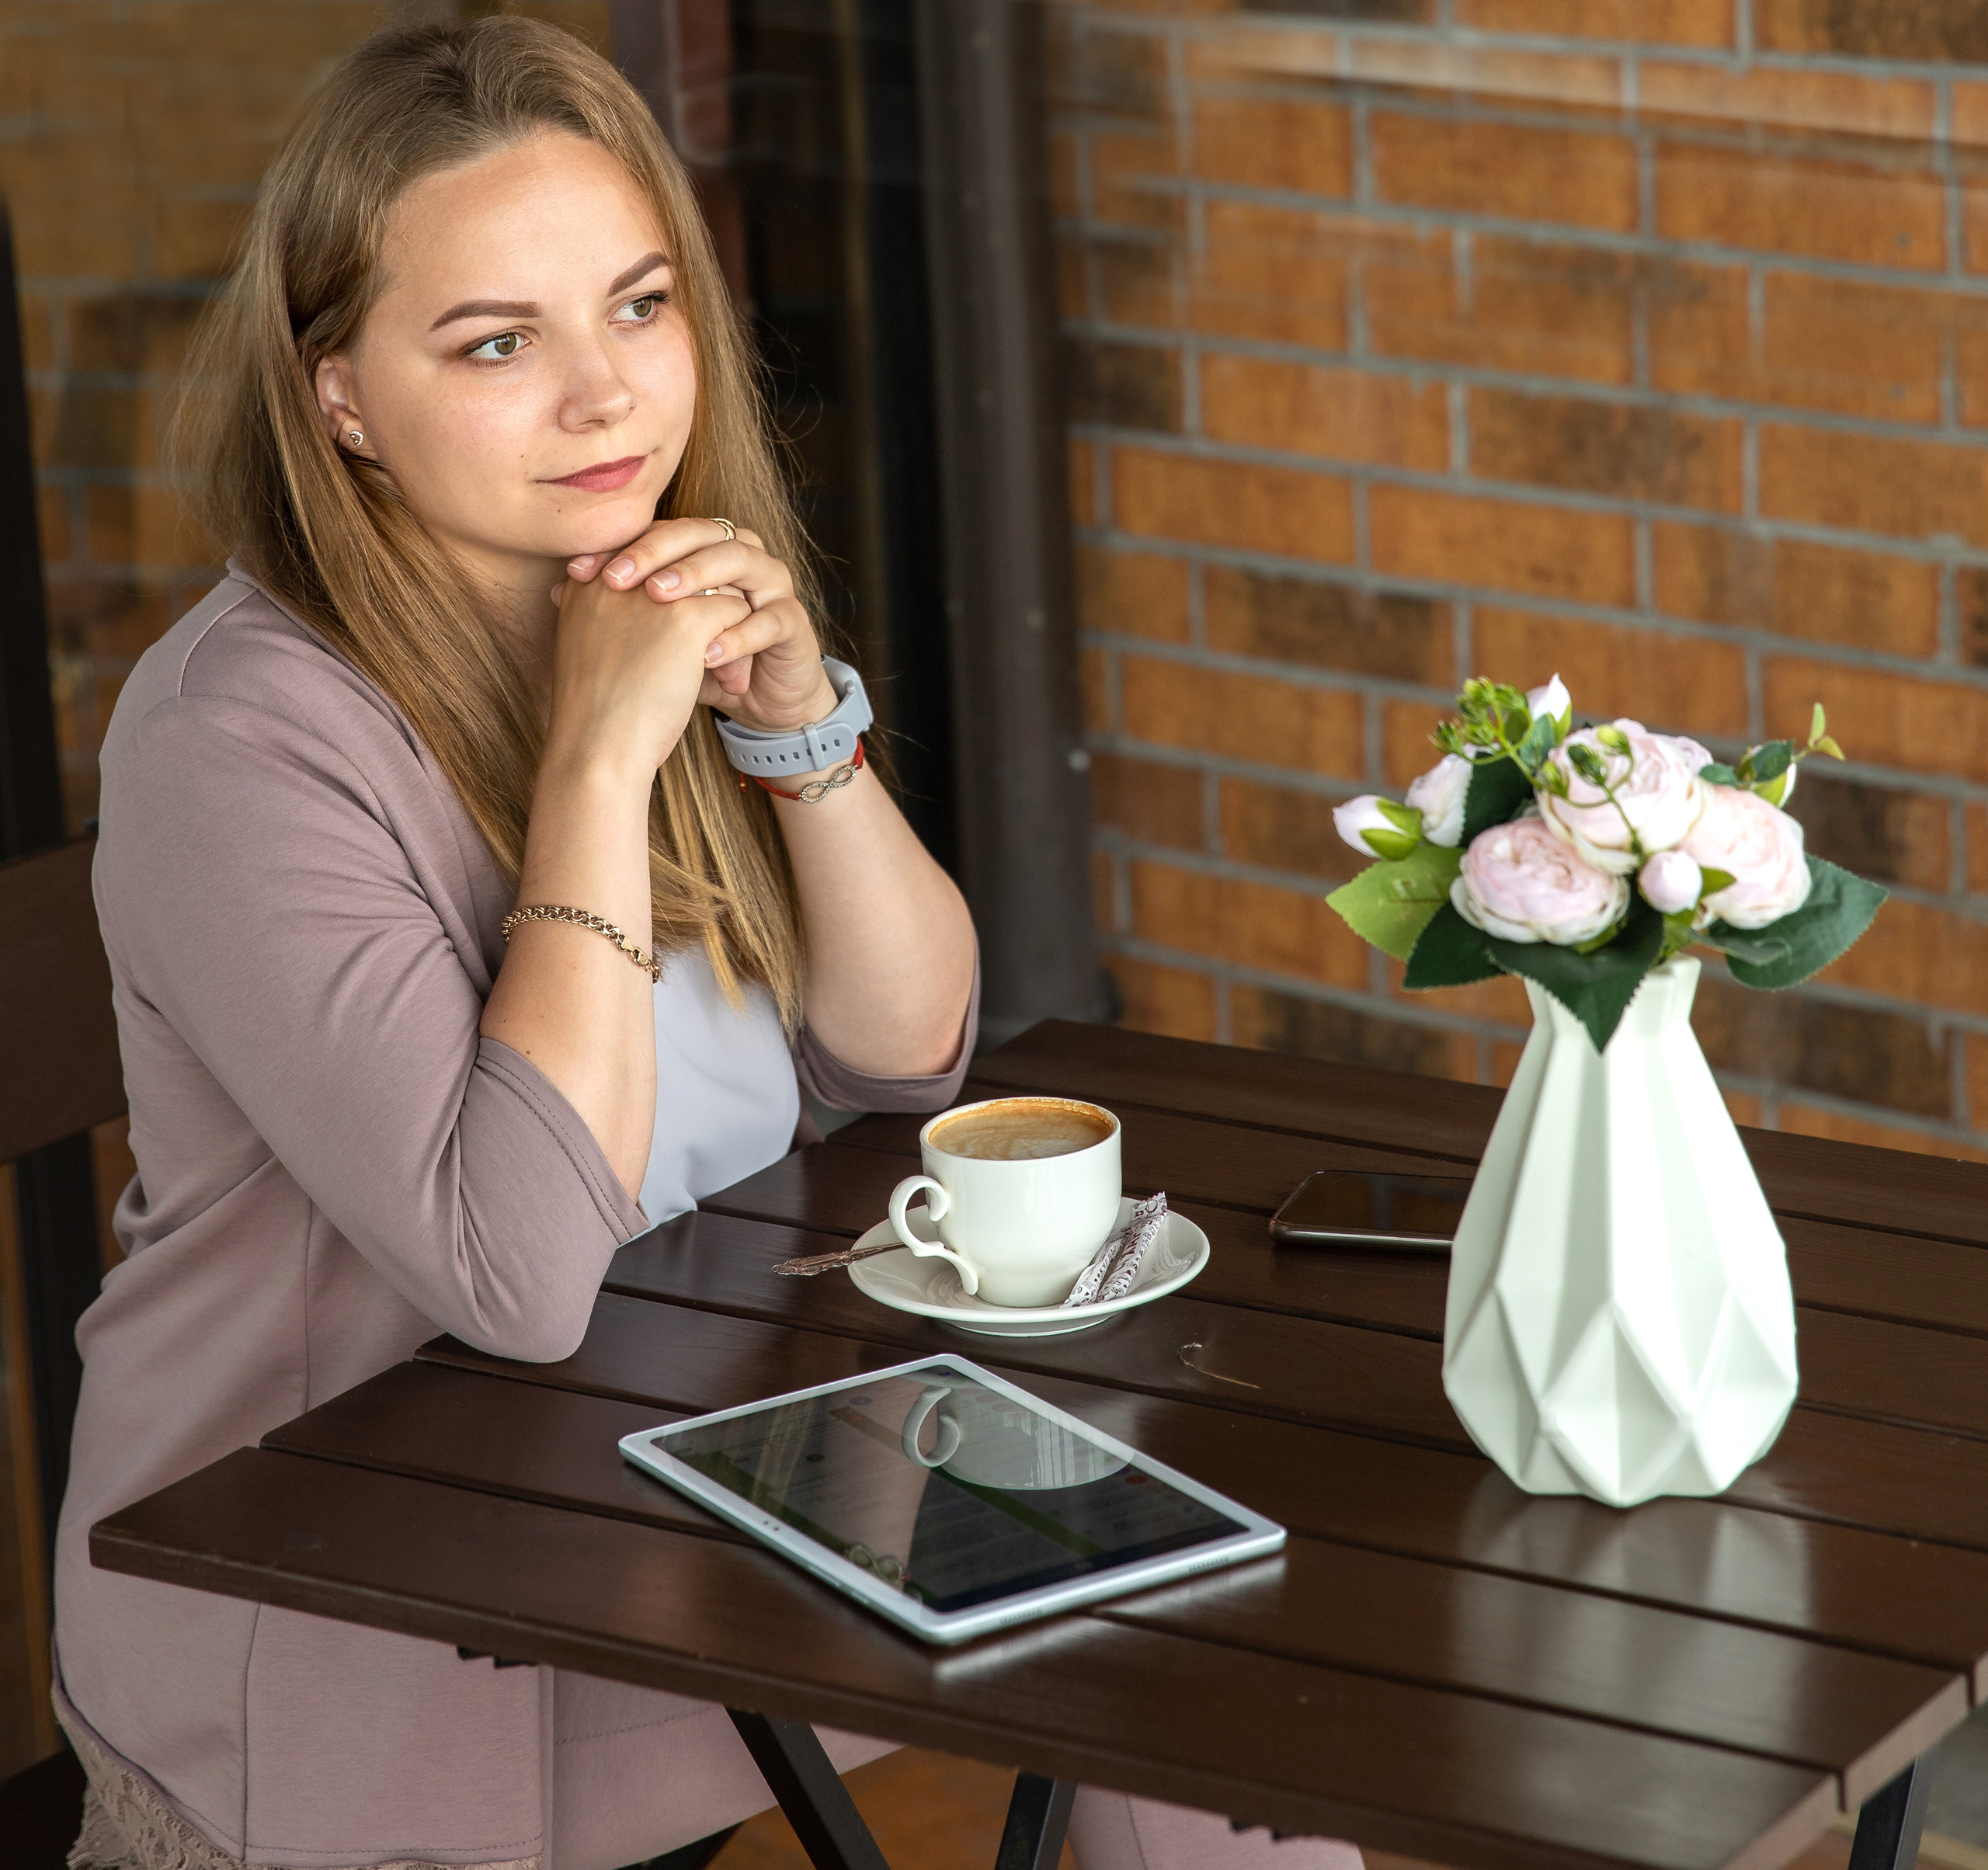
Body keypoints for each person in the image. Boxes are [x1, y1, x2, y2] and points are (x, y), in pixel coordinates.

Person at [52, 19, 1360, 1870]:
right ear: (336, 395)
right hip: (369, 1606)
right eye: (496, 342)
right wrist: (596, 760)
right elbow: (515, 1275)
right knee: (1132, 1614)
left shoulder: (633, 596)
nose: (605, 398)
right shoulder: (239, 741)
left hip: (679, 1480)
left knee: (1174, 1599)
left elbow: (902, 1058)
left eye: (638, 305)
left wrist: (798, 729)